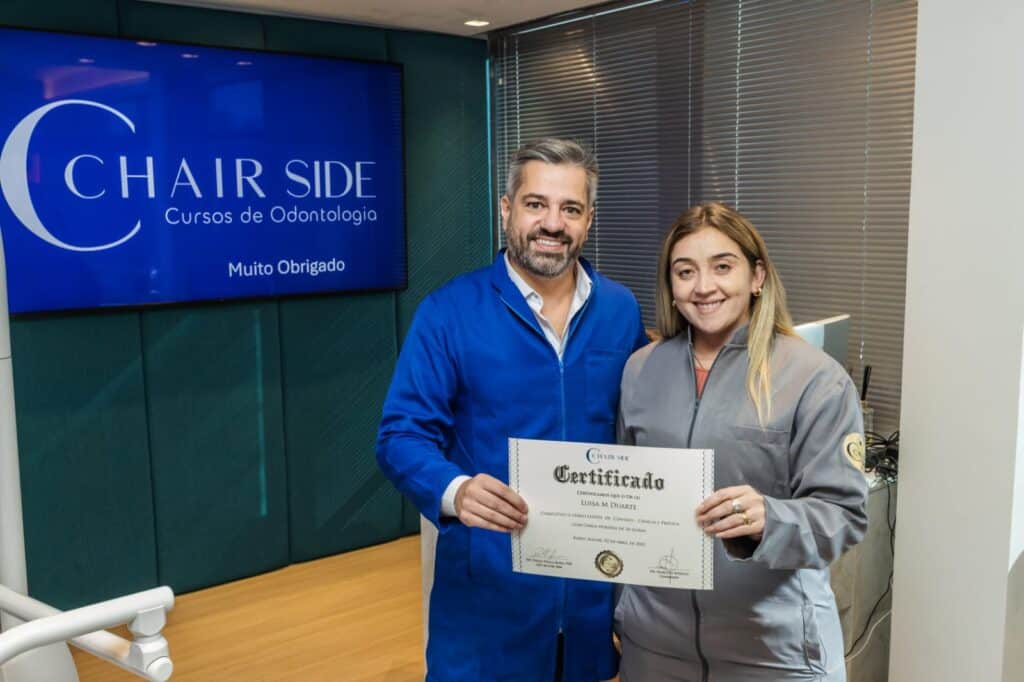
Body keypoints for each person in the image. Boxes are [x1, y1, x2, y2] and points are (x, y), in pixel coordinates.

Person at [376, 138, 647, 681]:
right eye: (535, 204)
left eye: (570, 208)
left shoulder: (620, 311)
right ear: (506, 210)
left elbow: (639, 423)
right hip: (488, 603)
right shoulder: (449, 312)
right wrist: (456, 490)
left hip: (589, 601)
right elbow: (400, 436)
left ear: (589, 219)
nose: (552, 223)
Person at [615, 202, 868, 681]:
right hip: (654, 648)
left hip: (773, 650)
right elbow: (623, 499)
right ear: (670, 286)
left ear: (757, 276)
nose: (703, 286)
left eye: (722, 267)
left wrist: (769, 518)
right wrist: (622, 608)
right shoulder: (640, 371)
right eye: (685, 271)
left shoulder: (815, 379)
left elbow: (845, 516)